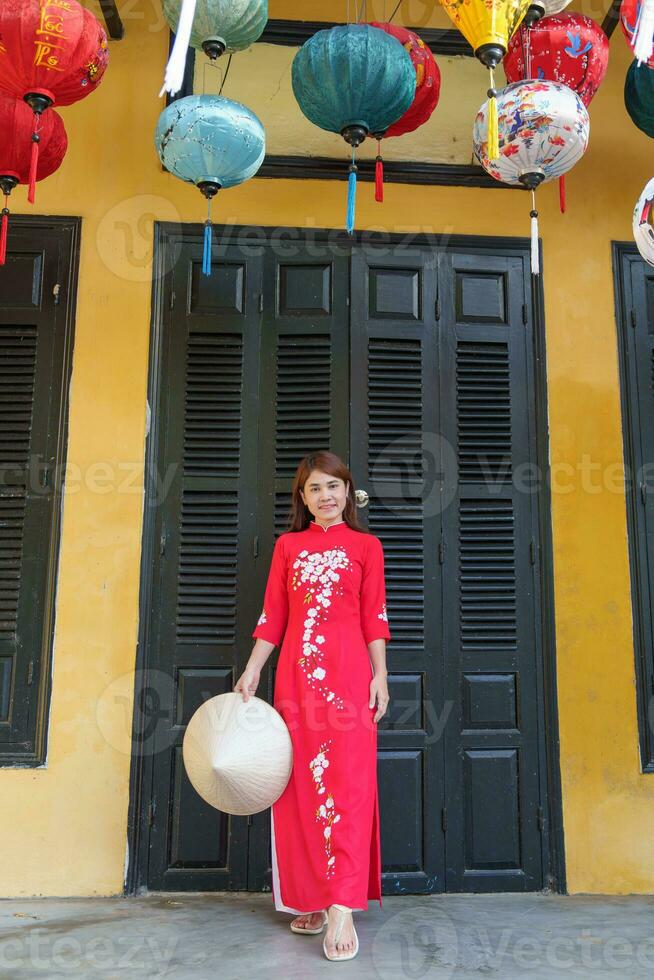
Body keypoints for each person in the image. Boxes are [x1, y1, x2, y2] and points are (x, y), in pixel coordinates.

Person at [234, 450, 391, 962]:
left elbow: (374, 618)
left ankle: (343, 904)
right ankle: (313, 900)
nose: (326, 496)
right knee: (299, 785)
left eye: (334, 486)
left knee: (347, 783)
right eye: (315, 489)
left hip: (348, 681)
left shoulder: (367, 547)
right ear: (302, 498)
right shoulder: (288, 547)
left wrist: (381, 676)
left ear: (348, 491)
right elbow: (272, 615)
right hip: (296, 683)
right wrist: (255, 667)